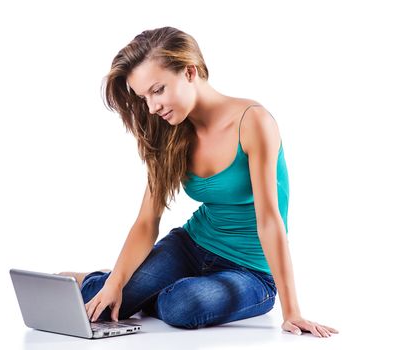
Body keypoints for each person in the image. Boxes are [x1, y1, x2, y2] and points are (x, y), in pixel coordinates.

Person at [59, 26, 338, 338]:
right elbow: (146, 221)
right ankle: (96, 282)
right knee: (108, 301)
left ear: (189, 72)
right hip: (190, 246)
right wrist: (116, 284)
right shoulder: (169, 132)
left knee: (182, 305)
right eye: (143, 97)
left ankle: (141, 288)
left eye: (157, 90)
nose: (151, 107)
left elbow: (270, 220)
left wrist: (292, 311)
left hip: (250, 271)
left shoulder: (253, 121)